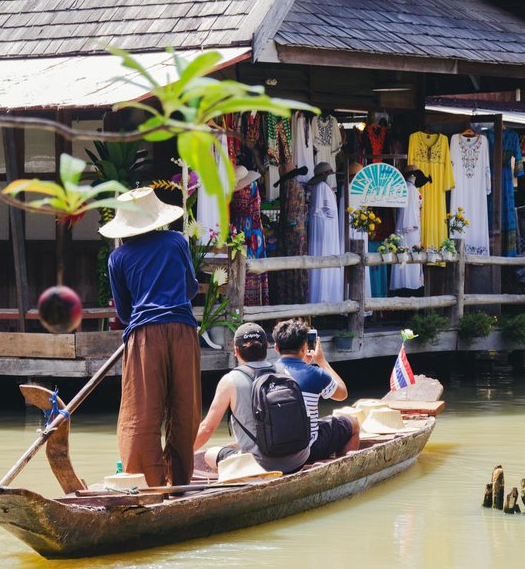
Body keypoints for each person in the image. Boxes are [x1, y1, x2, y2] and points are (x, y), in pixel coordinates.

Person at [103, 187, 201, 487]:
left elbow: (123, 311)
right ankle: (179, 482)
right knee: (185, 409)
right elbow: (191, 288)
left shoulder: (118, 257)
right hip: (182, 331)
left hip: (145, 335)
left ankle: (149, 485)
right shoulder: (175, 241)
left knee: (141, 415)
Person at [194, 323, 310, 474]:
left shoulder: (230, 380)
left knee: (210, 454)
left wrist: (179, 456)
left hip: (259, 466)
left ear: (236, 351)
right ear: (266, 346)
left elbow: (207, 429)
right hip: (299, 459)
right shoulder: (284, 372)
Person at [271, 319, 360, 461]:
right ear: (304, 346)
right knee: (353, 424)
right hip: (309, 450)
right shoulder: (315, 373)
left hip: (275, 449)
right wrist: (322, 362)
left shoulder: (264, 375)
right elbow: (342, 393)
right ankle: (342, 469)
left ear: (276, 347)